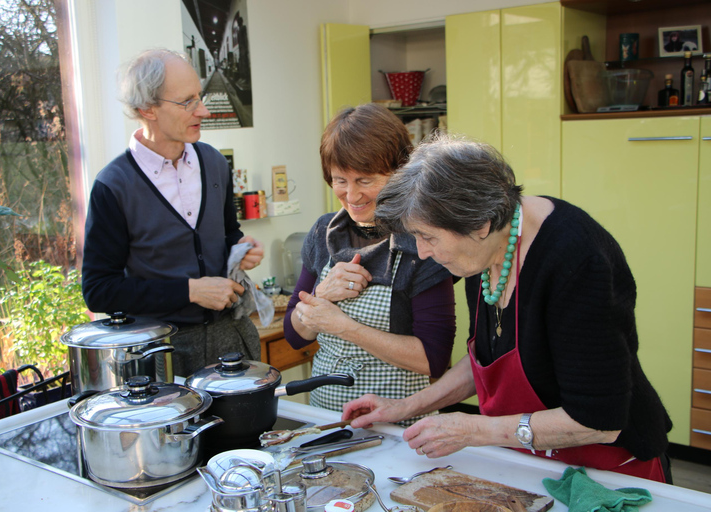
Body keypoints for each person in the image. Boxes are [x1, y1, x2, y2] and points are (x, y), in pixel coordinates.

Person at [342, 134, 673, 483]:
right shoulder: (482, 249)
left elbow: (598, 420)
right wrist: (406, 406)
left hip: (609, 470)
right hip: (533, 462)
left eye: (429, 237)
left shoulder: (575, 258)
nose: (423, 252)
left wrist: (473, 430)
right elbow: (484, 358)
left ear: (480, 225)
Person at [82, 48, 264, 377]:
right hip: (161, 352)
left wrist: (241, 247)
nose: (204, 111)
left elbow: (226, 233)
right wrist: (190, 291)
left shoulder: (215, 164)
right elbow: (99, 290)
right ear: (146, 108)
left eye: (200, 97)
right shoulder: (113, 186)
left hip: (231, 339)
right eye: (187, 102)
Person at [284, 104, 456, 427]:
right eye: (339, 180)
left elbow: (435, 358)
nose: (352, 195)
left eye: (365, 179)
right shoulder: (324, 232)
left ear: (398, 173)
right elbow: (294, 336)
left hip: (397, 428)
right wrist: (322, 294)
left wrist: (345, 327)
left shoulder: (422, 238)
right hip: (325, 422)